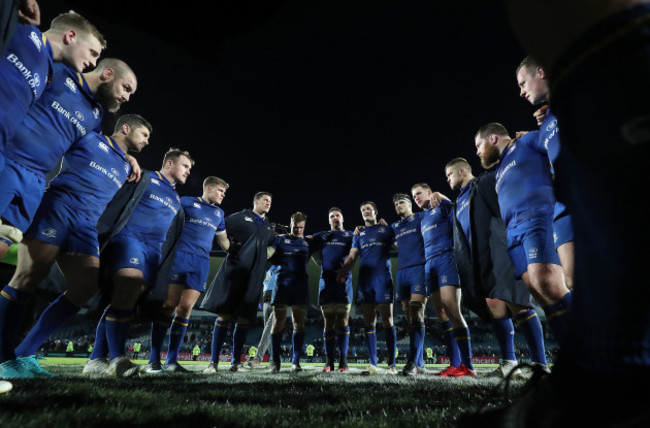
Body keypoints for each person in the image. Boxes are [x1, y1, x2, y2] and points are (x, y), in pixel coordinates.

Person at [459, 1, 650, 425]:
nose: (521, 93)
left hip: (549, 216)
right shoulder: (538, 131)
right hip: (531, 223)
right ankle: (598, 370)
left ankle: (611, 375)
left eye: (522, 81)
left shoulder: (531, 136)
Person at [0, 114, 148, 379]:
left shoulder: (127, 166)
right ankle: (3, 359)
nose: (147, 141)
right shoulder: (89, 137)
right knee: (27, 276)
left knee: (85, 287)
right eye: (144, 135)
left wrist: (129, 158)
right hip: (58, 208)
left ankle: (24, 352)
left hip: (86, 224)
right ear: (126, 128)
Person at [0, 57, 138, 262]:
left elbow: (95, 148)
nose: (127, 97)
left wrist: (126, 157)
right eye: (126, 88)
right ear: (108, 74)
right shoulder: (58, 73)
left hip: (35, 183)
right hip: (9, 163)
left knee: (7, 243)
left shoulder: (96, 114)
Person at [82, 148, 192, 378]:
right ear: (170, 164)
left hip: (153, 253)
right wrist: (127, 157)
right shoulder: (145, 177)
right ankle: (118, 358)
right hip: (130, 240)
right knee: (126, 290)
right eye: (185, 166)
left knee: (126, 303)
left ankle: (96, 360)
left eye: (190, 169)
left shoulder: (176, 199)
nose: (188, 171)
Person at [444, 158, 549, 378]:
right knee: (495, 304)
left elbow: (510, 200)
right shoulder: (459, 200)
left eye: (450, 174)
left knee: (518, 303)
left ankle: (540, 364)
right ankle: (509, 363)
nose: (448, 179)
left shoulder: (485, 182)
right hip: (482, 261)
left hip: (500, 251)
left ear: (462, 170)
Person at [474, 123, 572, 344]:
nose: (477, 152)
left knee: (548, 283)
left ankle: (598, 346)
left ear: (492, 138)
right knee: (540, 295)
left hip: (537, 217)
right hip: (513, 233)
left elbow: (555, 145)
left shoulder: (525, 142)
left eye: (478, 145)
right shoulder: (499, 171)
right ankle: (571, 355)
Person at [141, 176, 230, 375]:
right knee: (169, 305)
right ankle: (153, 360)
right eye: (220, 191)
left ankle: (171, 361)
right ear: (208, 188)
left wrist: (246, 250)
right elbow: (167, 221)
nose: (223, 195)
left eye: (224, 192)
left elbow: (225, 243)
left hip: (201, 263)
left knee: (185, 309)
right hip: (179, 257)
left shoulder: (219, 213)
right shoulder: (187, 202)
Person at [0, 10, 105, 174]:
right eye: (93, 53)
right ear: (70, 36)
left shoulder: (47, 72)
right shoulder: (24, 31)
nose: (93, 63)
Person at [516, 56, 574, 290]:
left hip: (591, 197)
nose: (521, 92)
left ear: (540, 72)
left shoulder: (575, 93)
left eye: (522, 83)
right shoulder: (547, 119)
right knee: (572, 280)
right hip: (562, 208)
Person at [201, 191, 275, 372]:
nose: (268, 203)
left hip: (254, 279)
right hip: (234, 274)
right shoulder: (240, 217)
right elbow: (220, 228)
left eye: (270, 201)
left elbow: (272, 245)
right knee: (224, 316)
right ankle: (213, 362)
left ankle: (235, 362)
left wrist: (265, 256)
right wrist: (228, 248)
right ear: (256, 201)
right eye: (265, 200)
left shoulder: (268, 226)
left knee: (244, 320)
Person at [411, 183, 476, 377]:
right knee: (441, 313)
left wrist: (443, 196)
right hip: (430, 264)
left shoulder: (443, 206)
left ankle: (469, 366)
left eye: (419, 194)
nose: (417, 198)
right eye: (414, 196)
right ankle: (455, 365)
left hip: (447, 258)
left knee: (451, 307)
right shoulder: (422, 218)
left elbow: (458, 211)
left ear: (430, 193)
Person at [337, 201, 397, 375]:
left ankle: (392, 365)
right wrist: (344, 269)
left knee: (388, 321)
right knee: (369, 322)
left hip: (383, 279)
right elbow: (353, 255)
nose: (366, 212)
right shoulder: (359, 233)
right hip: (365, 280)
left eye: (368, 209)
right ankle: (373, 364)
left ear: (375, 211)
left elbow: (398, 245)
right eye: (363, 210)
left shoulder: (386, 230)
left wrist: (391, 229)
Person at [268, 212, 314, 373]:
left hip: (300, 287)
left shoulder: (309, 242)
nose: (298, 230)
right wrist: (268, 236)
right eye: (295, 227)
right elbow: (267, 254)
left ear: (305, 226)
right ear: (290, 224)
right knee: (277, 322)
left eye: (301, 227)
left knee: (298, 323)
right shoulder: (280, 239)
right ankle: (275, 361)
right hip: (281, 285)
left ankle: (295, 362)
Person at [309, 207, 354, 373]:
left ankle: (343, 362)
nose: (335, 218)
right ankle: (329, 362)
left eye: (337, 215)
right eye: (332, 216)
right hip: (326, 283)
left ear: (342, 218)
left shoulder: (350, 235)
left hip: (344, 282)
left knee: (343, 321)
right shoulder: (322, 236)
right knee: (328, 321)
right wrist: (319, 263)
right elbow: (307, 242)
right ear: (329, 220)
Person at [388, 194, 428, 377]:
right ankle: (419, 363)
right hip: (402, 272)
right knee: (409, 316)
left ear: (410, 204)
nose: (398, 206)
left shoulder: (421, 217)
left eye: (401, 202)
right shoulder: (394, 227)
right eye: (396, 204)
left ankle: (411, 363)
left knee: (416, 310)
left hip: (419, 269)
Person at [247, 265, 279, 368]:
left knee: (268, 328)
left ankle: (258, 358)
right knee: (268, 332)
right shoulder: (270, 267)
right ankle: (274, 360)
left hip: (277, 300)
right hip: (266, 300)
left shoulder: (283, 265)